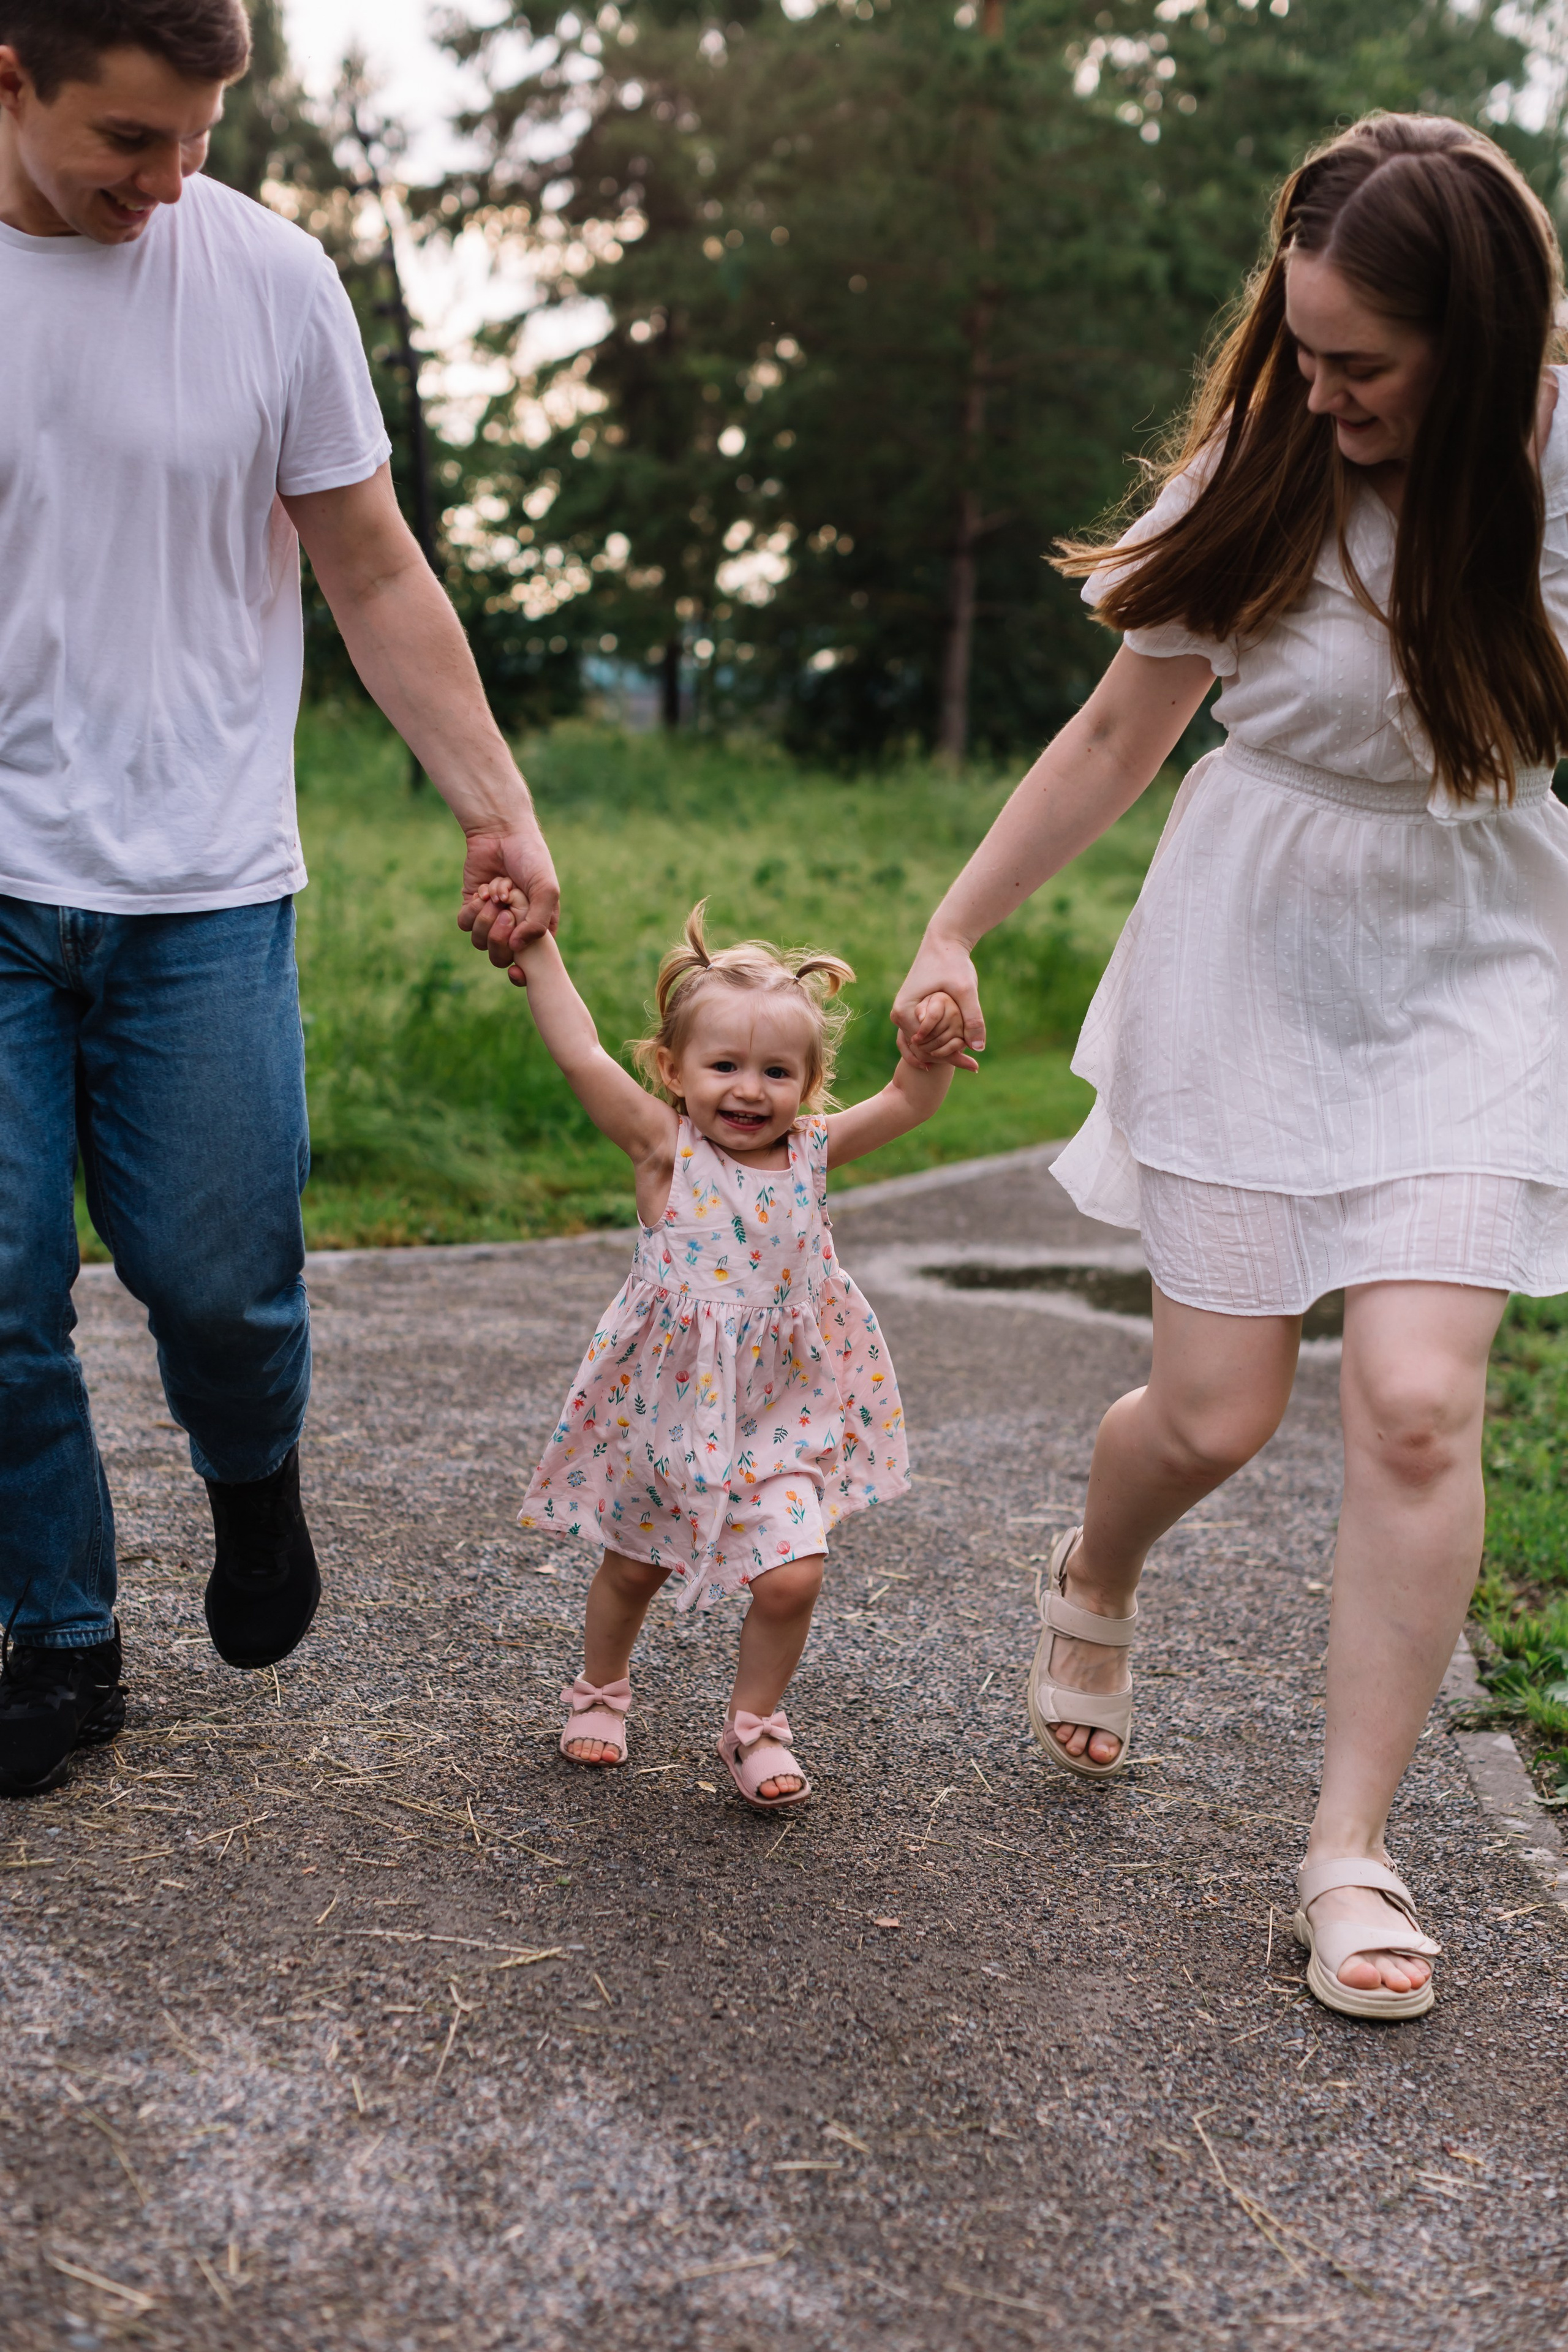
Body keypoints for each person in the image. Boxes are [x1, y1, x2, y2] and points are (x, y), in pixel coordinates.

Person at [891, 112, 1568, 2021]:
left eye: (1366, 360)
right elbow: (1115, 739)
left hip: (1478, 950)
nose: (1323, 387)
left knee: (1421, 1403)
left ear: (1488, 337)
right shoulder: (1258, 470)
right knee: (1214, 1416)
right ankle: (1096, 1568)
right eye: (1304, 345)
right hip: (1253, 946)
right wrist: (952, 930)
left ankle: (1349, 1851)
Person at [0, 0, 559, 1798]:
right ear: (9, 75)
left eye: (200, 141)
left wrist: (495, 803)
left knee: (221, 1285)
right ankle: (62, 1638)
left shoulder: (271, 282)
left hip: (201, 889)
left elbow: (374, 565)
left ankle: (255, 1482)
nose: (168, 186)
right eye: (130, 145)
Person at [483, 889, 967, 1808]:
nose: (750, 1090)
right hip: (666, 1412)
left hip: (778, 1415)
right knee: (635, 1565)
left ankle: (753, 1728)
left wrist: (927, 1052)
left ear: (810, 1084)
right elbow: (580, 1050)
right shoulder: (664, 1151)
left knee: (795, 1576)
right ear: (673, 1068)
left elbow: (909, 1101)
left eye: (778, 1072)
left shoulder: (813, 1156)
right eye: (725, 1065)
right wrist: (539, 951)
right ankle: (600, 1691)